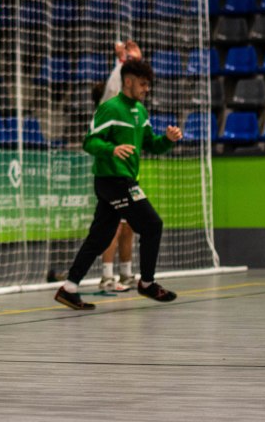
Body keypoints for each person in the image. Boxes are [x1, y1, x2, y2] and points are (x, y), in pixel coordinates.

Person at [55, 59, 182, 310]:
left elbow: (151, 144)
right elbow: (89, 142)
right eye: (143, 84)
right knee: (152, 225)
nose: (147, 89)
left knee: (100, 237)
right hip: (112, 180)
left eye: (149, 85)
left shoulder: (141, 111)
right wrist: (111, 149)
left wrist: (167, 140)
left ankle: (68, 288)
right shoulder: (110, 108)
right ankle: (147, 283)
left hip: (124, 180)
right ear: (129, 81)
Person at [98, 40, 142, 292]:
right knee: (113, 223)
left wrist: (131, 59)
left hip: (129, 168)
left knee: (129, 224)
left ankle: (125, 273)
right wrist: (124, 59)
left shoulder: (131, 104)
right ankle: (107, 276)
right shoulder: (111, 99)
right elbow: (119, 83)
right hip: (111, 170)